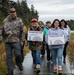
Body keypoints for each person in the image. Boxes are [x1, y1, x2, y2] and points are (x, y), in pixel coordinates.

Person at [0, 8, 25, 75]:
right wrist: (1, 37)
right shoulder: (5, 21)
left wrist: (22, 40)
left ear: (15, 12)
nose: (12, 13)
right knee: (8, 57)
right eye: (11, 12)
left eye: (13, 11)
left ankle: (19, 64)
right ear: (9, 13)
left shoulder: (19, 20)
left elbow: (23, 31)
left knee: (18, 54)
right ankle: (10, 71)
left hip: (16, 40)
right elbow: (1, 30)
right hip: (7, 41)